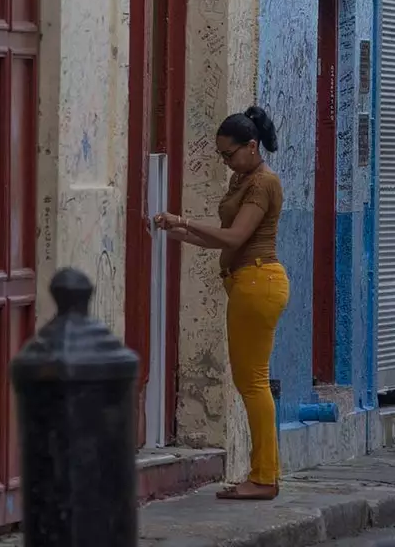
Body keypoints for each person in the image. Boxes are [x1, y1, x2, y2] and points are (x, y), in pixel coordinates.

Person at [153, 107, 290, 501]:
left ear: (252, 146)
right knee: (251, 382)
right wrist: (175, 233)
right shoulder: (242, 180)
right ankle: (263, 474)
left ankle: (264, 477)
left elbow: (234, 237)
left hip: (259, 282)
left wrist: (183, 219)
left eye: (229, 154)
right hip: (246, 283)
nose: (225, 161)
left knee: (254, 384)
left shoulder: (264, 183)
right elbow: (222, 240)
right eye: (220, 156)